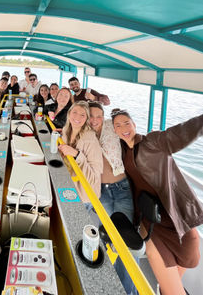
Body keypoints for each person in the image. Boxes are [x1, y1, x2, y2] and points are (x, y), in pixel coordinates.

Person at [112, 108, 203, 295]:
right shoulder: (120, 150)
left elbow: (184, 131)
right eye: (118, 125)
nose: (123, 128)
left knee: (190, 256)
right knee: (169, 279)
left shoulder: (153, 142)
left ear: (134, 125)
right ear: (114, 131)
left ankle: (165, 288)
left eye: (126, 123)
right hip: (150, 219)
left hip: (175, 213)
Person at [88, 102, 137, 295]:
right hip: (101, 191)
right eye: (91, 116)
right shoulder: (84, 132)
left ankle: (129, 291)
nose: (95, 120)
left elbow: (128, 130)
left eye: (99, 115)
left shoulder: (111, 125)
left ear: (104, 116)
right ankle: (112, 286)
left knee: (127, 240)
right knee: (109, 238)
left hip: (122, 187)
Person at [59, 101, 103, 201]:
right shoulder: (66, 130)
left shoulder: (90, 139)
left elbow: (94, 179)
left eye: (82, 115)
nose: (77, 117)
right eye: (74, 112)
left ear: (86, 119)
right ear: (69, 113)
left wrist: (76, 154)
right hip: (68, 186)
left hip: (83, 197)